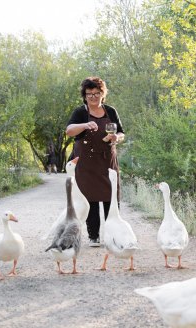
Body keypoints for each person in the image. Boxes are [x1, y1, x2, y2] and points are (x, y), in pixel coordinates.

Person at [65, 77, 125, 247]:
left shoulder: (111, 111)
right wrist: (84, 125)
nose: (93, 97)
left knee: (111, 197)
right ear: (84, 95)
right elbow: (69, 131)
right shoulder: (80, 112)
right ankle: (93, 237)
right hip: (86, 162)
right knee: (89, 198)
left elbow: (121, 133)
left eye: (97, 93)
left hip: (107, 160)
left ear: (102, 94)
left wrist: (116, 138)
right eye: (89, 94)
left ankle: (113, 235)